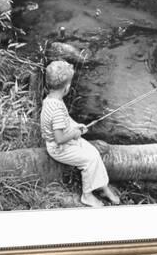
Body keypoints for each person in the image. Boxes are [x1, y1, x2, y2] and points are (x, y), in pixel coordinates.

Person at [40, 60, 120, 207]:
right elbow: (59, 138)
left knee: (94, 153)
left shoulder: (53, 99)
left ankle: (102, 186)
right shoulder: (55, 108)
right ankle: (87, 195)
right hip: (58, 148)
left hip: (66, 138)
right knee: (89, 160)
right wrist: (75, 133)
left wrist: (76, 125)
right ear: (67, 87)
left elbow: (65, 118)